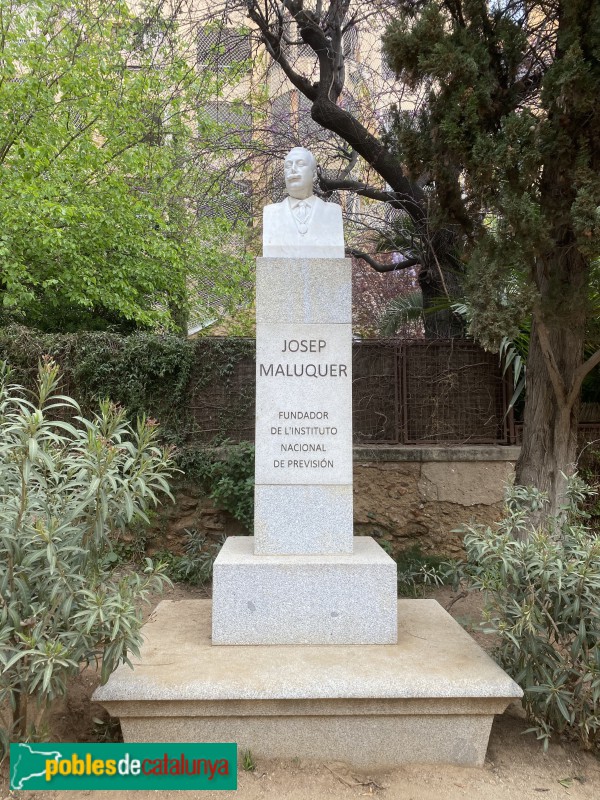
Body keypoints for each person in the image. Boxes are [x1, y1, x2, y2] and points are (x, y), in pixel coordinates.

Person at [262, 146, 344, 258]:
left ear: (314, 175)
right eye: (288, 166)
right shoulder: (271, 213)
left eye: (300, 164)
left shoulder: (333, 213)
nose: (293, 169)